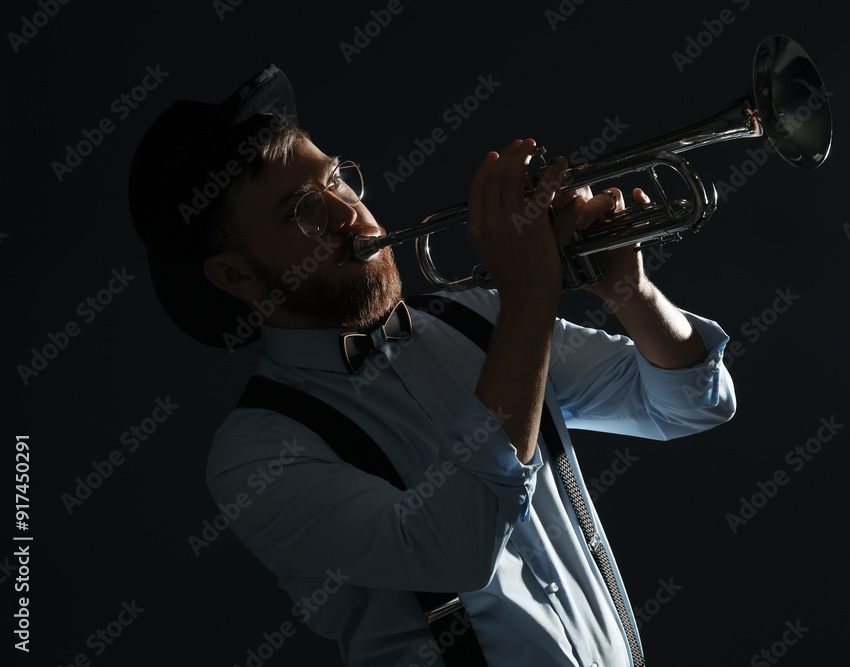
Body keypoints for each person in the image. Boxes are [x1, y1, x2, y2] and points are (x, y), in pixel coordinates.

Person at [129, 64, 736, 667]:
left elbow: (692, 404)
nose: (348, 215)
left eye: (337, 181)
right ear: (235, 275)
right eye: (301, 211)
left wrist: (632, 294)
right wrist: (528, 298)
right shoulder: (255, 454)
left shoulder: (477, 319)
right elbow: (457, 546)